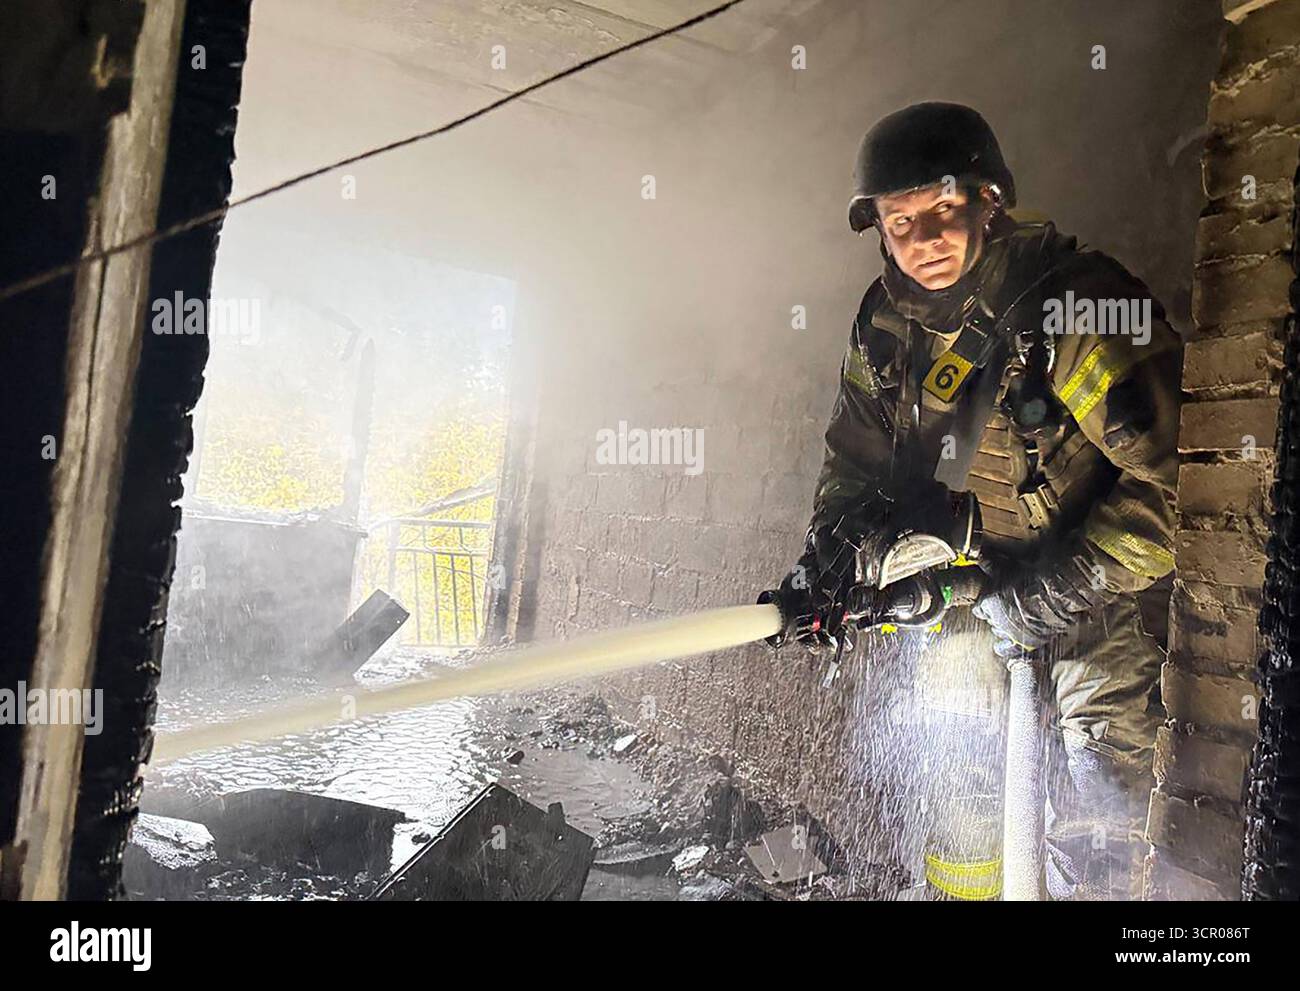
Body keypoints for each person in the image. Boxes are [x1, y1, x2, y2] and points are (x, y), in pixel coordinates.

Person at [770, 102, 1182, 900]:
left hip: (1099, 601)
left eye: (944, 208)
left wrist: (1044, 598)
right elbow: (855, 460)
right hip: (964, 589)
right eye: (900, 220)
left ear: (989, 200)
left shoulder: (1075, 304)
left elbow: (1179, 489)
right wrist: (826, 561)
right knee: (956, 787)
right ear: (878, 228)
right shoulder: (885, 325)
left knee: (1100, 820)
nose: (923, 239)